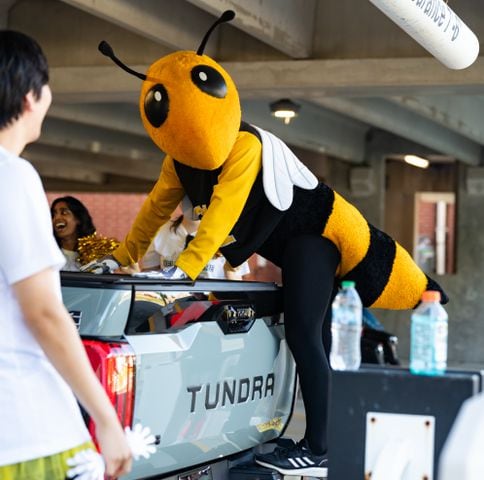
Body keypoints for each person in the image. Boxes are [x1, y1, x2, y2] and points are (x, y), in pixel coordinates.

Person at [91, 11, 448, 478]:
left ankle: (319, 447)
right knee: (315, 338)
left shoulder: (245, 147)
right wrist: (121, 257)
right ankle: (329, 439)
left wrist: (188, 267)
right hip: (298, 249)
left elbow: (221, 212)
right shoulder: (178, 164)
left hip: (315, 237)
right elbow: (154, 211)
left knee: (305, 335)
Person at [0, 30, 132, 479]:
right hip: (23, 428)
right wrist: (107, 418)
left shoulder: (93, 245)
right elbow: (44, 314)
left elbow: (122, 257)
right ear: (31, 96)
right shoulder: (13, 178)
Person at [141, 212, 250, 280]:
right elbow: (150, 276)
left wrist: (230, 272)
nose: (191, 198)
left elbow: (236, 279)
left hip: (213, 308)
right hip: (169, 306)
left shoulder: (230, 232)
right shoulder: (161, 231)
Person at [51, 196, 96, 271]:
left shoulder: (95, 255)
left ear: (78, 219)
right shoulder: (48, 254)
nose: (57, 218)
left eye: (64, 213)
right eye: (53, 214)